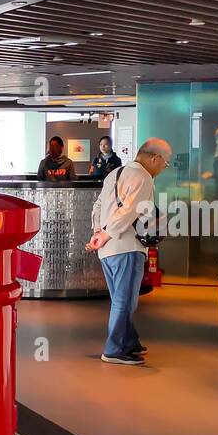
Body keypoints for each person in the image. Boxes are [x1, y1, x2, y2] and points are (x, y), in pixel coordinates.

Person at [85, 137, 172, 365]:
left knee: (120, 300)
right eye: (166, 163)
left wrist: (98, 233)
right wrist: (106, 234)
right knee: (125, 301)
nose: (164, 167)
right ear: (155, 158)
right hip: (126, 246)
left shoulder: (114, 174)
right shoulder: (143, 177)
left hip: (108, 250)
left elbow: (98, 206)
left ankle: (129, 341)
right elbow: (130, 211)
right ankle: (113, 350)